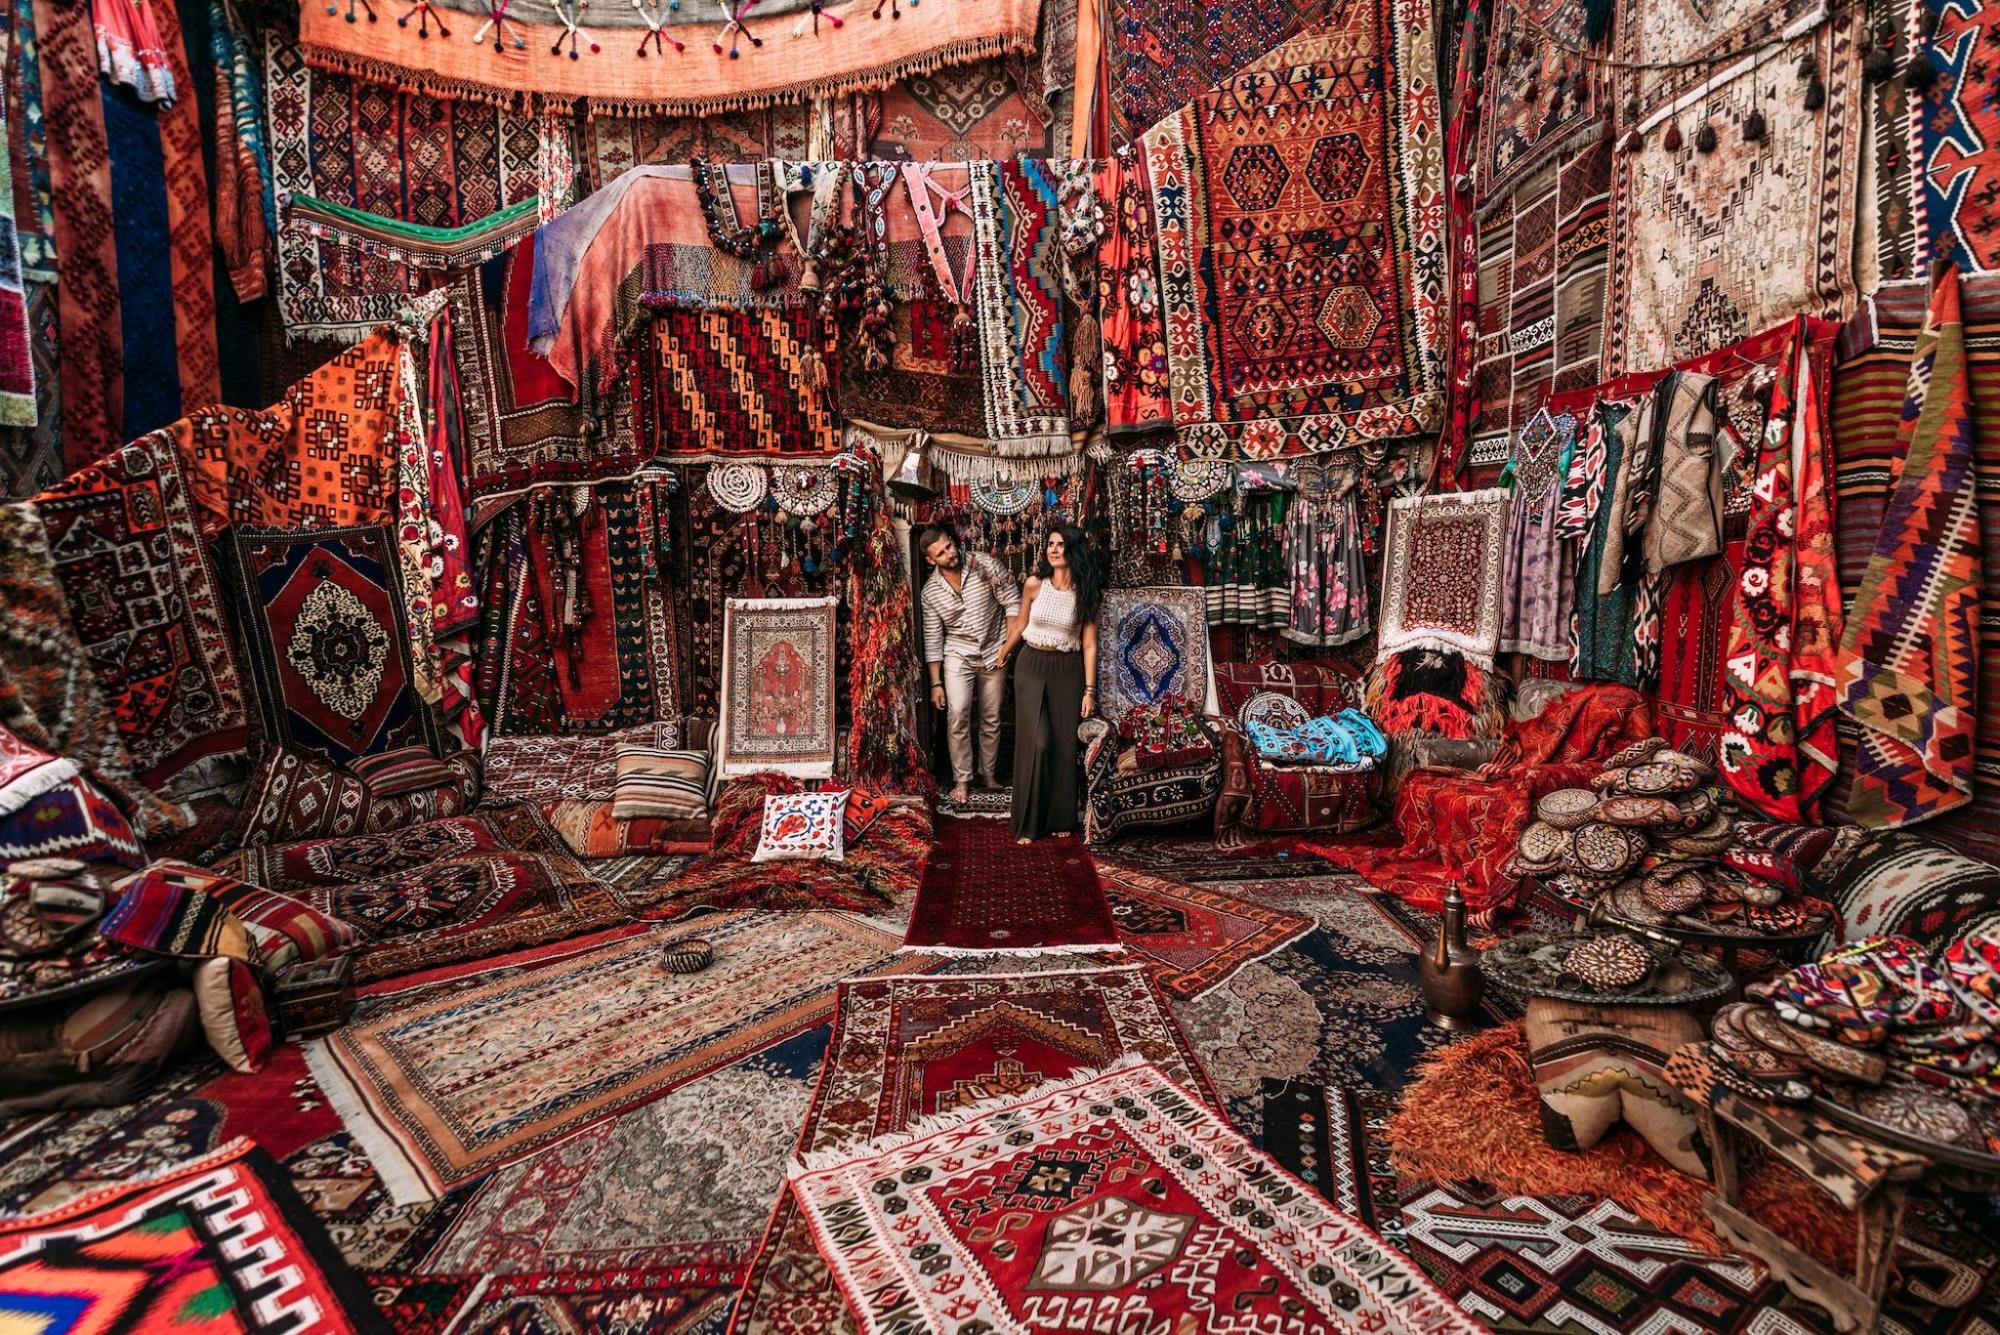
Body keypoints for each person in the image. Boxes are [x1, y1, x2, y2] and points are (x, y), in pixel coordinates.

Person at [997, 524, 1103, 843]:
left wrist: (1089, 690)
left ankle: (1061, 818)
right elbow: (1020, 624)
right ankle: (1028, 823)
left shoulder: (1086, 591)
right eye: (1051, 544)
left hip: (1067, 669)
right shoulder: (1033, 584)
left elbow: (1089, 645)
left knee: (1062, 743)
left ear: (1074, 551)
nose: (1053, 550)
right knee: (1037, 742)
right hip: (1031, 664)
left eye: (1061, 545)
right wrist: (1005, 650)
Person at [918, 526, 1021, 806]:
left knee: (991, 716)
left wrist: (1007, 646)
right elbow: (933, 637)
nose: (950, 553)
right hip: (958, 653)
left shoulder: (985, 564)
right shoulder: (930, 593)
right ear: (931, 561)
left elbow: (1012, 602)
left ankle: (987, 774)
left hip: (995, 649)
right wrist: (936, 684)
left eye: (949, 546)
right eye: (941, 553)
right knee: (958, 712)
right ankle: (962, 779)